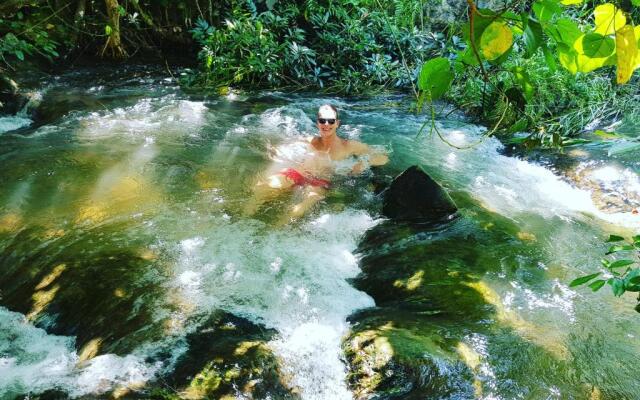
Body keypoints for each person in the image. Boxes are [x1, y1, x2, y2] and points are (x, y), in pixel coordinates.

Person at [244, 104, 388, 220]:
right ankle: (243, 220)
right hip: (298, 174)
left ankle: (273, 234)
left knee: (299, 209)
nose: (326, 124)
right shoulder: (309, 140)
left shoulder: (349, 145)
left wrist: (365, 163)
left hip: (320, 182)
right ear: (317, 123)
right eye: (322, 120)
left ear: (337, 123)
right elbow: (281, 148)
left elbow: (383, 158)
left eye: (331, 121)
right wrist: (275, 152)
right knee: (262, 187)